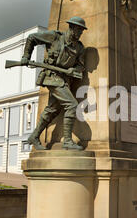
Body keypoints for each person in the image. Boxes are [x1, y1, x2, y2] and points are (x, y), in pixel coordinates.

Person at [21, 16, 87, 150]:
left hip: (64, 80)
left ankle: (34, 136)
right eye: (79, 30)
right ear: (72, 28)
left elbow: (81, 66)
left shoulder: (79, 47)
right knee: (72, 105)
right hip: (52, 77)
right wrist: (26, 56)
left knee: (52, 110)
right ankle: (67, 141)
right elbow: (31, 38)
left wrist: (73, 70)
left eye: (82, 31)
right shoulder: (54, 37)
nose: (80, 33)